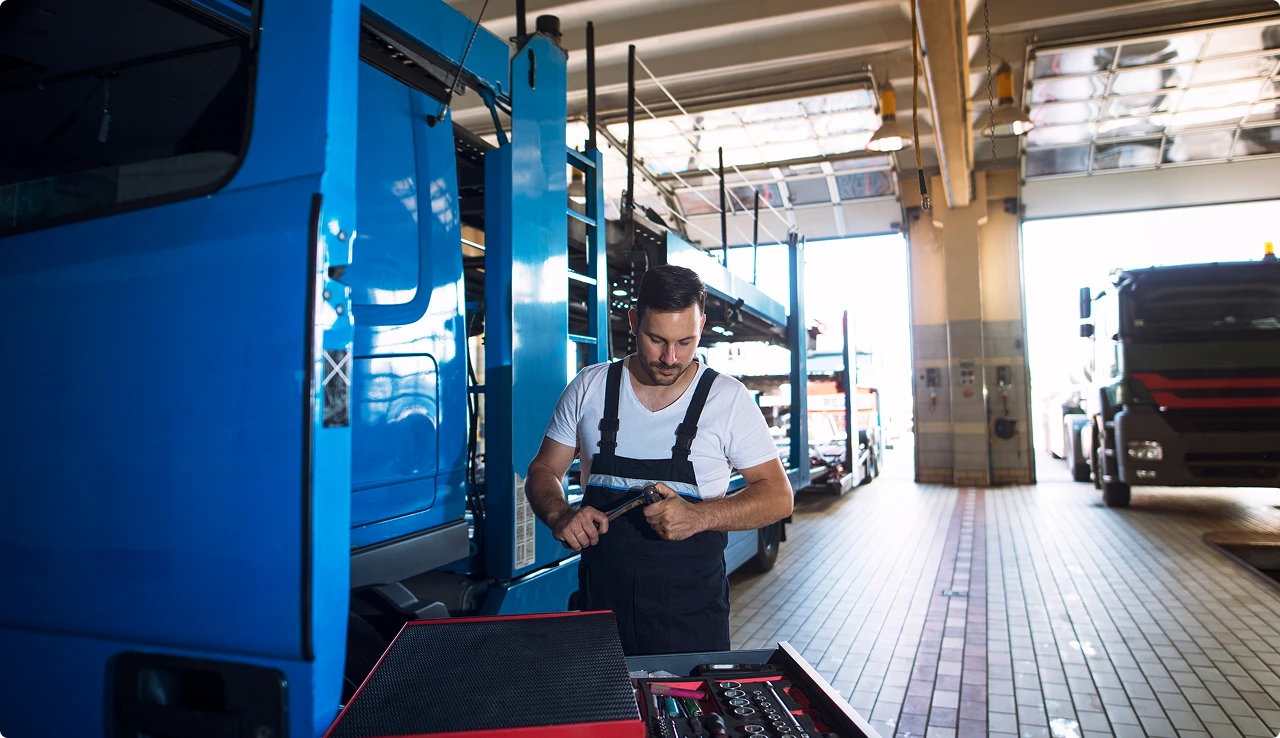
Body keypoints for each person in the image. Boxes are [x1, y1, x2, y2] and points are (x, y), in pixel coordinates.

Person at [525, 264, 794, 655]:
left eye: (685, 342)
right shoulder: (590, 387)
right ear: (634, 322)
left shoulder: (727, 399)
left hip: (691, 621)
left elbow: (778, 496)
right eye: (656, 340)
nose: (670, 357)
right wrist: (559, 514)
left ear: (701, 325)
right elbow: (544, 469)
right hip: (600, 616)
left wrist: (701, 516)